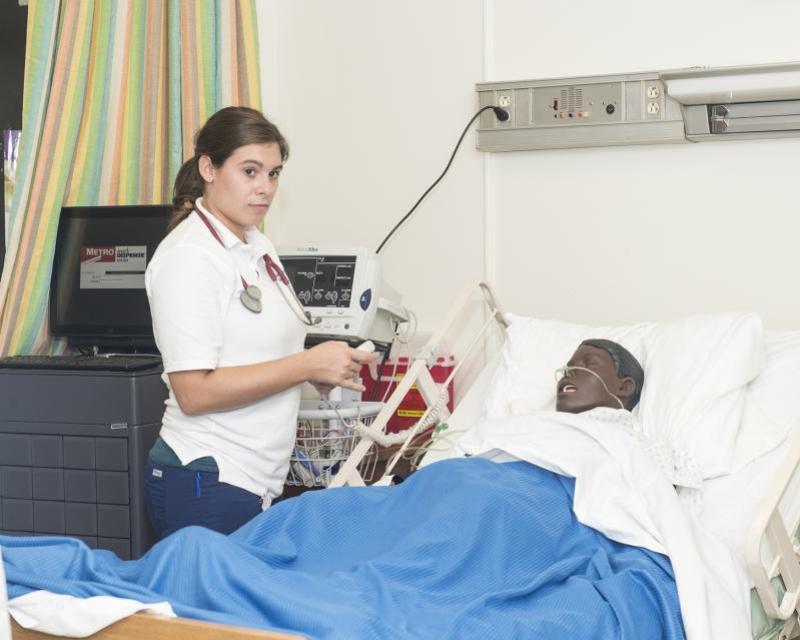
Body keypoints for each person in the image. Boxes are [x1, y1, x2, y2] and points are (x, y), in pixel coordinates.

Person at [143, 106, 375, 539]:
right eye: (250, 171)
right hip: (206, 478)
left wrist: (319, 371)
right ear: (208, 168)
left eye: (273, 174)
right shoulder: (190, 257)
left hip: (252, 479)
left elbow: (256, 355)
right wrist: (305, 366)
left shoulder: (254, 244)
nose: (264, 188)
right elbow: (194, 392)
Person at [555, 338, 644, 413]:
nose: (569, 372)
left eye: (589, 363)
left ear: (624, 387)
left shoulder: (621, 433)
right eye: (568, 368)